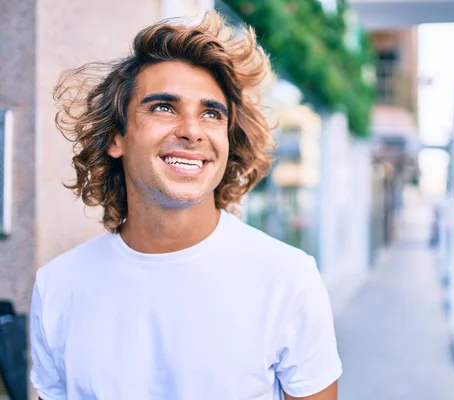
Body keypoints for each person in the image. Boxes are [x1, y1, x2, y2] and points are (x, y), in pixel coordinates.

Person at [29, 11, 342, 400]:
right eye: (163, 107)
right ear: (115, 139)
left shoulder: (287, 278)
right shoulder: (59, 286)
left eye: (211, 114)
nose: (192, 131)